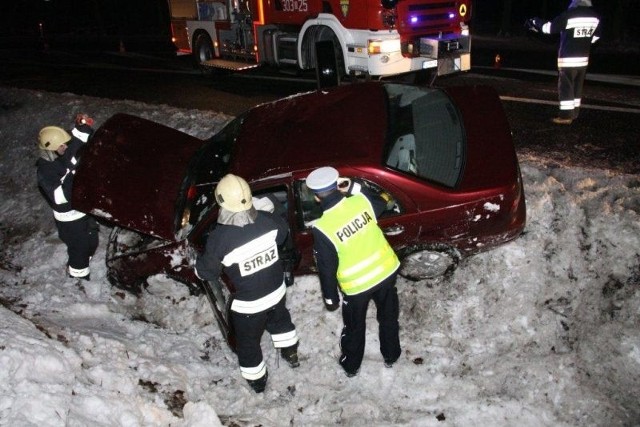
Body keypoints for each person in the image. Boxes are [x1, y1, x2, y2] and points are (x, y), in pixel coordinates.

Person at [195, 174, 299, 393]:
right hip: (276, 291)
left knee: (248, 343)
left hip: (249, 306)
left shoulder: (219, 238)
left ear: (221, 202)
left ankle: (257, 381)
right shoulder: (267, 221)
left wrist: (199, 263)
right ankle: (291, 352)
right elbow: (282, 234)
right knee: (280, 321)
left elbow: (207, 272)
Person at [306, 166, 401, 377]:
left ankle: (351, 366)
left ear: (317, 198)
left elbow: (326, 267)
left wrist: (330, 297)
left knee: (354, 328)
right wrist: (354, 187)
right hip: (386, 272)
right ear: (338, 185)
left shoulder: (322, 228)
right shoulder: (361, 202)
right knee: (388, 317)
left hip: (357, 287)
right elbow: (382, 199)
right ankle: (391, 355)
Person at [36, 114, 99, 281]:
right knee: (80, 249)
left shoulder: (60, 154)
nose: (66, 147)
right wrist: (74, 174)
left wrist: (82, 125)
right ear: (51, 148)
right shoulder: (45, 171)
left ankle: (83, 260)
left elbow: (77, 142)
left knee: (92, 241)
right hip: (70, 220)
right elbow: (59, 197)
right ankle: (78, 278)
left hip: (82, 211)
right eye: (62, 145)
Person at [526, 0, 601, 125]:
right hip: (583, 59)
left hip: (568, 58)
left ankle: (566, 116)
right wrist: (583, 42)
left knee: (566, 86)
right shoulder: (594, 17)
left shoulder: (569, 15)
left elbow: (549, 29)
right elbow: (596, 37)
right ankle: (574, 112)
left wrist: (535, 21)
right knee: (577, 86)